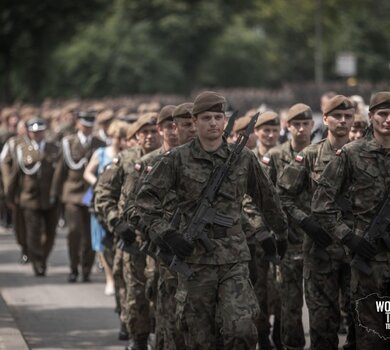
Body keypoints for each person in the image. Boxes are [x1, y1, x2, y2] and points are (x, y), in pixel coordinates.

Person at [133, 91, 288, 350]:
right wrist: (168, 235)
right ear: (194, 122)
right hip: (195, 263)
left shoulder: (243, 157)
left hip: (234, 259)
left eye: (218, 117)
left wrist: (281, 233)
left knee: (242, 331)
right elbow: (145, 201)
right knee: (200, 338)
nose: (214, 123)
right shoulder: (176, 159)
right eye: (207, 118)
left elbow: (268, 200)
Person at [312, 91, 390, 349]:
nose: (388, 119)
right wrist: (348, 237)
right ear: (371, 117)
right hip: (370, 264)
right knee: (372, 336)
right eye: (383, 114)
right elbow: (322, 203)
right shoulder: (352, 154)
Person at [277, 95, 356, 350]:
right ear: (325, 119)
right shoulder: (310, 156)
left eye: (347, 116)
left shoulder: (363, 155)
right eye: (337, 116)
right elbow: (283, 195)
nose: (342, 121)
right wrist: (305, 222)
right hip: (320, 251)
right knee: (323, 324)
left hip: (357, 251)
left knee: (362, 322)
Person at [94, 112, 160, 349]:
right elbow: (102, 194)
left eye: (154, 131)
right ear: (136, 136)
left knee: (161, 293)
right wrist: (116, 222)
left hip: (160, 241)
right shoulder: (124, 160)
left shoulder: (168, 158)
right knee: (135, 294)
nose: (150, 136)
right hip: (132, 240)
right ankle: (138, 338)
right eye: (145, 132)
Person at [261, 103, 314, 350]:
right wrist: (273, 230)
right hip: (286, 239)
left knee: (320, 302)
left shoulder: (321, 154)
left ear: (313, 125)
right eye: (297, 124)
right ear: (288, 126)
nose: (301, 129)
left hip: (319, 239)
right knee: (289, 302)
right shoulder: (274, 156)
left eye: (306, 124)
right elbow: (263, 196)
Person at [51, 111, 106, 282]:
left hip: (91, 194)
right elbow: (60, 170)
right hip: (72, 194)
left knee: (89, 235)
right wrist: (55, 193)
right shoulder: (68, 143)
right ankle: (73, 268)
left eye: (91, 126)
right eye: (85, 125)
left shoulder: (99, 143)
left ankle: (86, 269)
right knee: (74, 232)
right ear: (78, 124)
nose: (88, 129)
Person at [83, 120, 128, 295]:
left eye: (124, 137)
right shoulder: (101, 153)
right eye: (118, 137)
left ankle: (119, 276)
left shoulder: (127, 154)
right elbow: (87, 172)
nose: (121, 140)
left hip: (119, 202)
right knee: (101, 241)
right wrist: (98, 183)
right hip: (101, 202)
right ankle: (109, 278)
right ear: (111, 137)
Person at [12, 117, 60, 276]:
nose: (37, 134)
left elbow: (60, 174)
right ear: (29, 133)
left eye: (40, 131)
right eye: (34, 132)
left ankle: (43, 257)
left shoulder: (54, 148)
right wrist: (10, 195)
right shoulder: (22, 149)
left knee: (50, 234)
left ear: (44, 131)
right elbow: (15, 174)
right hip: (29, 197)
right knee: (32, 233)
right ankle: (38, 262)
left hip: (50, 197)